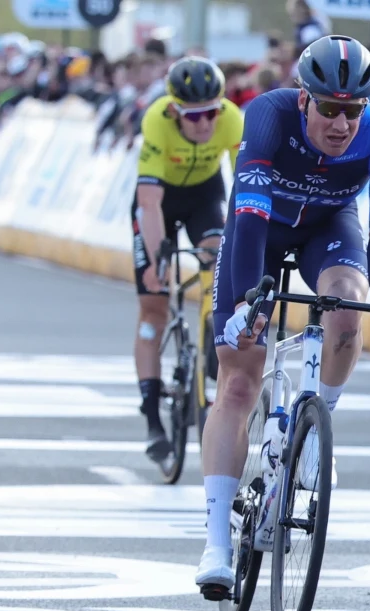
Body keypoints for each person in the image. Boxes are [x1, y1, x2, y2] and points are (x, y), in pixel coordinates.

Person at [195, 35, 370, 598]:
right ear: (304, 99)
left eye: (354, 110)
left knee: (349, 307)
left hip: (328, 227)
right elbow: (247, 220)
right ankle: (216, 542)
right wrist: (249, 300)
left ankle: (316, 430)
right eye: (330, 109)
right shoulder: (268, 114)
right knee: (239, 379)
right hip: (263, 229)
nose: (343, 123)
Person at [132, 56, 243, 470]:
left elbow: (243, 188)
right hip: (160, 199)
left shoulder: (233, 119)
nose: (204, 124)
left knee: (218, 258)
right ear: (175, 110)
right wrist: (159, 256)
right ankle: (152, 420)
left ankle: (213, 332)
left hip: (203, 196)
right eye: (194, 116)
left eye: (211, 112)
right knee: (153, 306)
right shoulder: (156, 120)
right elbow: (149, 202)